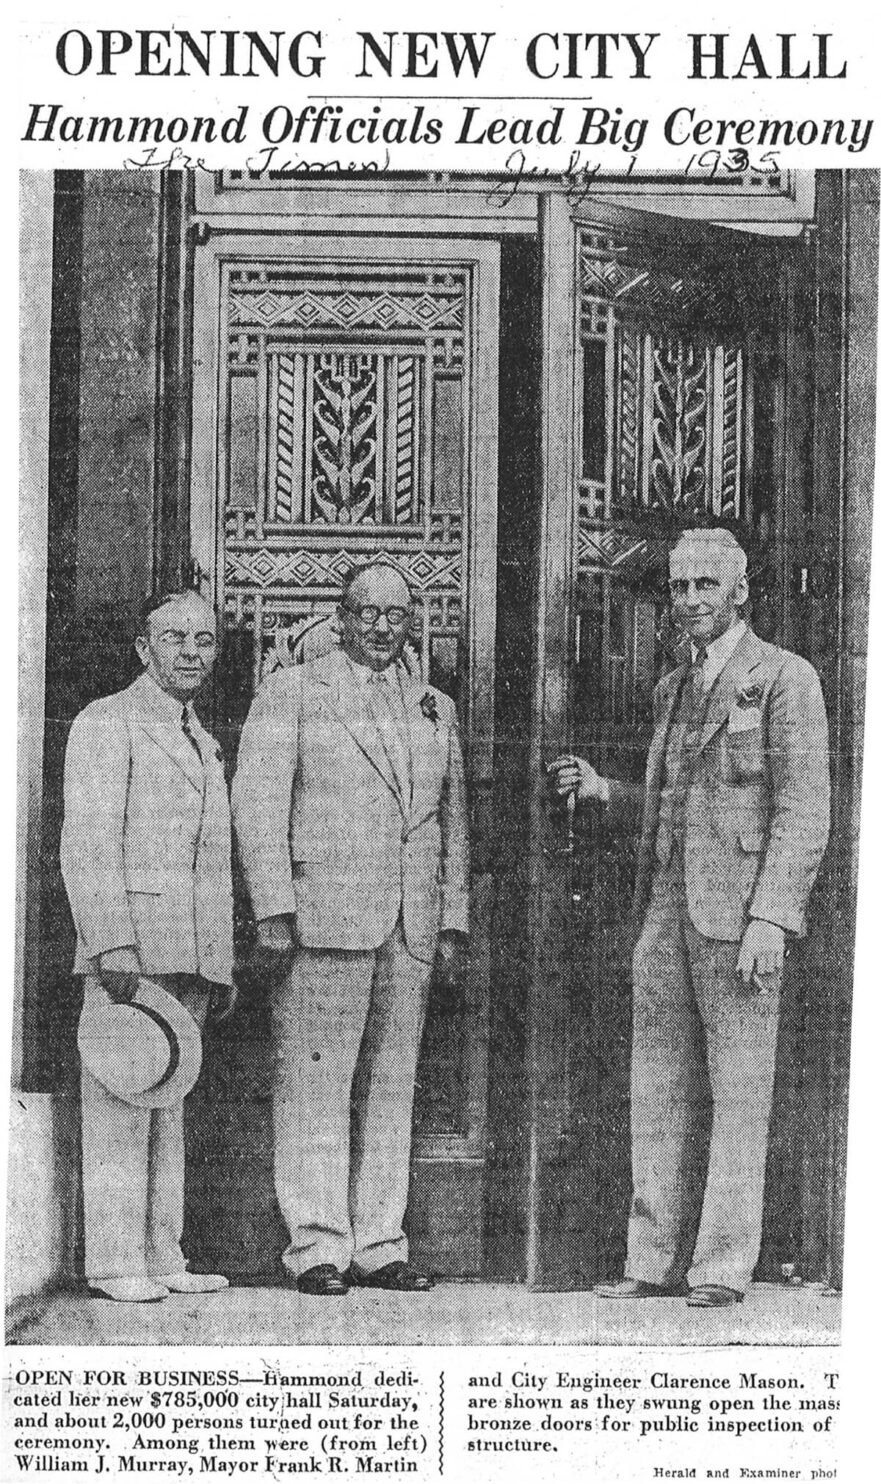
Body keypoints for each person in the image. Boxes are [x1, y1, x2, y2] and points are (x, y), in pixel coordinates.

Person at [549, 528, 830, 1309]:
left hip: (740, 921)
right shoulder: (671, 686)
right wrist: (610, 793)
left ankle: (720, 1267)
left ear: (739, 591)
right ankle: (651, 1260)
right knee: (658, 1088)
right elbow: (683, 804)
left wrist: (772, 916)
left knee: (740, 1094)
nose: (691, 601)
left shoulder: (783, 678)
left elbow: (804, 809)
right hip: (666, 915)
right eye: (679, 587)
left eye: (707, 584)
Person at [232, 561, 469, 1296]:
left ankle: (379, 1243)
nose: (380, 626)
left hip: (409, 928)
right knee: (314, 1089)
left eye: (395, 614)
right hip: (321, 921)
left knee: (391, 1088)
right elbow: (256, 805)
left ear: (411, 623)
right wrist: (273, 909)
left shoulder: (435, 706)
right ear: (340, 618)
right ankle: (316, 1246)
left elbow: (450, 821)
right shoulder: (293, 693)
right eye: (365, 612)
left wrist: (452, 916)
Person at [60, 590, 235, 1303]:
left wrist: (218, 961)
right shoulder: (107, 723)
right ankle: (111, 1261)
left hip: (187, 950)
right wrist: (111, 945)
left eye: (203, 641)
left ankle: (163, 1254)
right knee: (120, 1100)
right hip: (130, 952)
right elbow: (88, 842)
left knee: (169, 1101)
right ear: (143, 648)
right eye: (175, 639)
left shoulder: (202, 736)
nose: (191, 653)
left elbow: (213, 859)